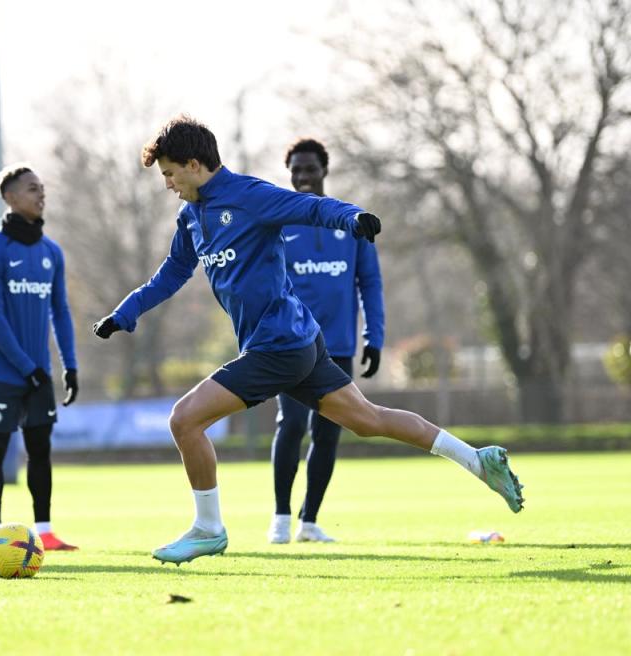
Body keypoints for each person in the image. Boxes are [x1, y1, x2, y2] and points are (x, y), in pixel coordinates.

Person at [92, 116, 524, 565]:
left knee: (184, 420)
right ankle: (478, 460)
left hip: (278, 345)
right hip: (299, 340)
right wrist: (125, 314)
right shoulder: (191, 218)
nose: (167, 184)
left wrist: (353, 217)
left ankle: (208, 529)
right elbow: (171, 275)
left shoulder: (249, 196)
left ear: (194, 164)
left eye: (169, 173)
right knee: (368, 419)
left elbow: (312, 208)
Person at [267, 137, 384, 544]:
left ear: (324, 172)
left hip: (337, 348)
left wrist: (375, 336)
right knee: (292, 423)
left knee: (329, 431)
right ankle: (280, 517)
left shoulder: (349, 224)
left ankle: (309, 521)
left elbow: (369, 282)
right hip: (291, 344)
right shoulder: (280, 223)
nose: (302, 177)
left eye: (310, 169)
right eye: (295, 170)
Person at [0, 163, 80, 552]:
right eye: (33, 189)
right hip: (4, 372)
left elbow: (61, 312)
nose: (41, 194)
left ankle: (46, 532)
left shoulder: (52, 252)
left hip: (39, 373)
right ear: (11, 197)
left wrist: (69, 365)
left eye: (42, 188)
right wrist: (27, 367)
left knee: (40, 449)